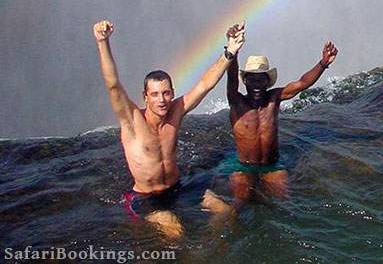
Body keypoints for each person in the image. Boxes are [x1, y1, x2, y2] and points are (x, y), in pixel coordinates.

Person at [93, 20, 245, 238]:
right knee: (175, 231)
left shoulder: (176, 110)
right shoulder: (132, 119)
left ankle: (214, 251)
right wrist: (102, 42)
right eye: (155, 94)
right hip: (146, 197)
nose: (161, 100)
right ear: (145, 96)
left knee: (226, 212)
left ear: (172, 93)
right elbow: (113, 84)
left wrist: (229, 51)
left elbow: (205, 84)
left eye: (166, 93)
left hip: (178, 188)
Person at [202, 28, 337, 215]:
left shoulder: (275, 98)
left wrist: (323, 63)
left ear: (268, 82)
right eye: (252, 80)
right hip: (243, 166)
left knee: (283, 206)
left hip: (272, 166)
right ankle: (217, 209)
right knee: (238, 205)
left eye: (261, 80)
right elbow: (231, 76)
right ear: (245, 82)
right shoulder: (237, 101)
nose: (257, 85)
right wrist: (233, 49)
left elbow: (302, 84)